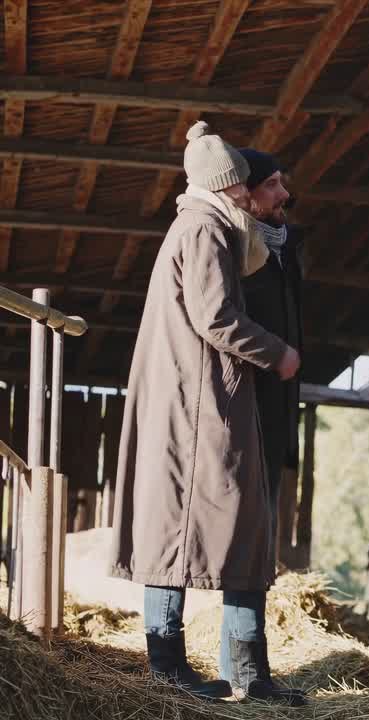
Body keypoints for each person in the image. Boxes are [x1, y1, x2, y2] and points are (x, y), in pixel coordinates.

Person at [107, 121, 305, 706]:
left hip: (202, 392)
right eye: (246, 185)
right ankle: (169, 668)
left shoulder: (210, 226)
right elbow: (214, 317)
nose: (253, 194)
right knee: (180, 528)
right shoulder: (201, 228)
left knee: (230, 525)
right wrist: (278, 353)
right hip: (196, 398)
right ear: (226, 186)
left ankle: (246, 670)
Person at [236, 147, 303, 554]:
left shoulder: (286, 249)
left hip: (277, 403)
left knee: (264, 517)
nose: (284, 195)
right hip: (240, 401)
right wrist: (276, 354)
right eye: (271, 184)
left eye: (283, 183)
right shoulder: (229, 247)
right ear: (246, 193)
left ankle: (250, 614)